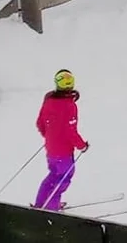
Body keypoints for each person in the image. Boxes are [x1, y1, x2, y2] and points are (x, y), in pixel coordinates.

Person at [33, 69, 90, 211]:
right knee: (63, 178)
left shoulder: (49, 101)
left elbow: (40, 123)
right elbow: (71, 131)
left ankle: (41, 204)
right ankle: (52, 209)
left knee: (53, 176)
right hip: (63, 151)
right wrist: (82, 146)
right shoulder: (70, 106)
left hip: (51, 148)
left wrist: (50, 137)